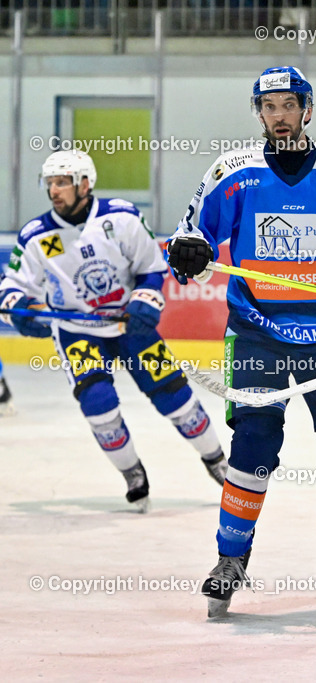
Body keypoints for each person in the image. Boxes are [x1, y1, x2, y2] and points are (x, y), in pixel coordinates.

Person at [167, 66, 316, 618]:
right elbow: (192, 231)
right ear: (258, 112)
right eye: (269, 106)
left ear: (307, 109)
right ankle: (230, 559)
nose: (279, 115)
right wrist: (188, 249)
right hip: (256, 333)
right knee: (254, 449)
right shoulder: (232, 172)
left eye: (289, 104)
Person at [0, 150, 226, 511]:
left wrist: (145, 300)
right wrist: (18, 311)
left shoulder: (120, 217)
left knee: (172, 394)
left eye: (62, 182)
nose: (54, 190)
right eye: (50, 183)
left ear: (84, 184)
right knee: (97, 402)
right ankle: (132, 472)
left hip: (128, 324)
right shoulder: (36, 235)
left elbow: (152, 267)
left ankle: (215, 459)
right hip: (77, 331)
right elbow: (12, 288)